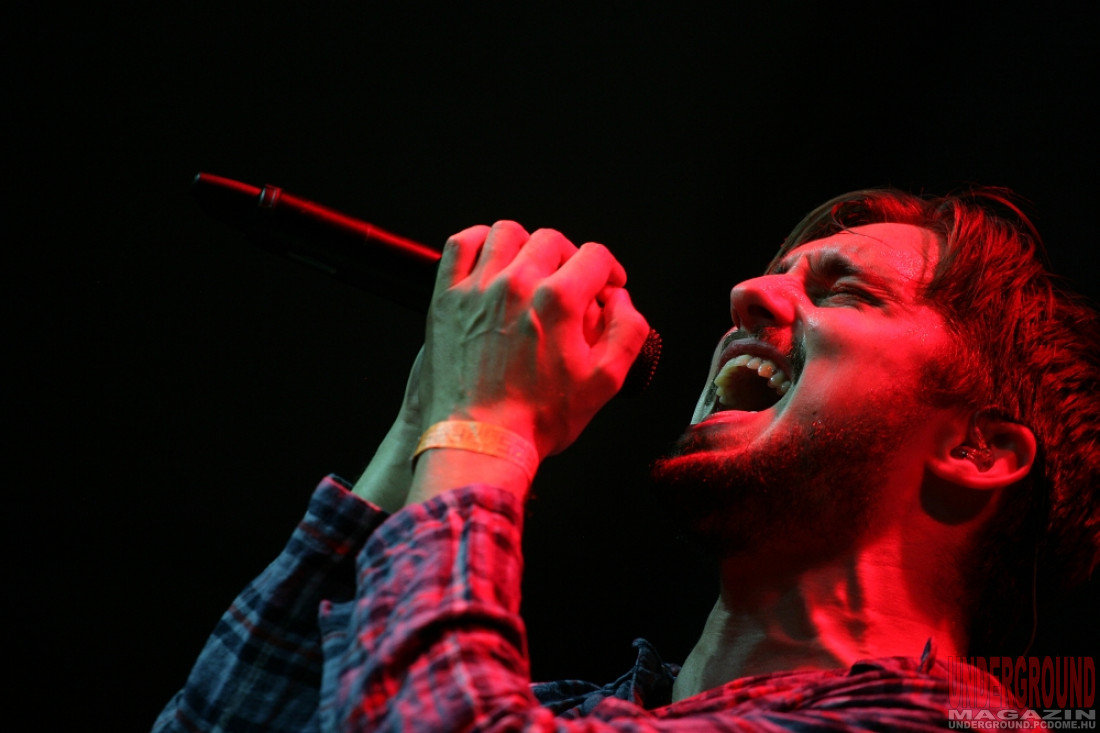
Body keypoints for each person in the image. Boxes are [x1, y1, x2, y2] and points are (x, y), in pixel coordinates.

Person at [153, 188, 1099, 732]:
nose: (749, 294)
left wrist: (485, 423)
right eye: (776, 273)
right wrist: (423, 423)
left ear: (977, 448)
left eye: (846, 291)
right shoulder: (583, 709)